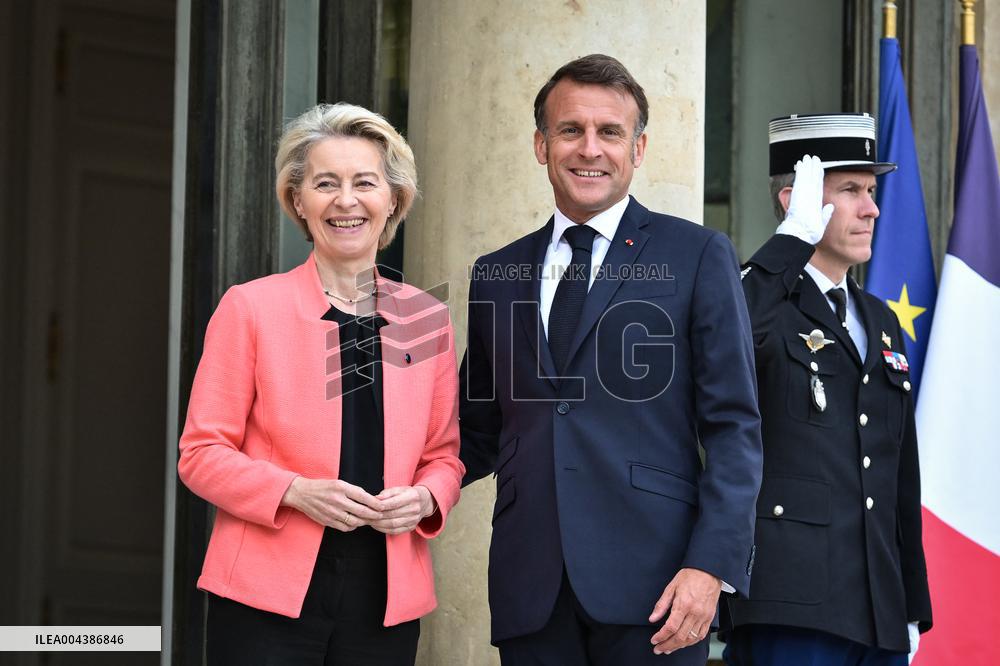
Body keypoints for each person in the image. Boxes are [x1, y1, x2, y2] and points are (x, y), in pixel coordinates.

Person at [459, 54, 763, 664]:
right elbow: (475, 431)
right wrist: (392, 484)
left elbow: (734, 427)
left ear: (639, 148)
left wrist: (711, 567)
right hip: (531, 589)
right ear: (542, 145)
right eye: (570, 130)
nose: (589, 149)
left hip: (659, 591)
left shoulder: (697, 254)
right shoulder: (496, 273)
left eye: (610, 133)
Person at [177, 102, 464, 665]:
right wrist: (295, 491)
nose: (346, 201)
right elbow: (201, 453)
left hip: (385, 598)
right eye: (325, 183)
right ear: (299, 201)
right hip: (265, 595)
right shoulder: (250, 307)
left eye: (365, 183)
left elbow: (445, 456)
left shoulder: (426, 317)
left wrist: (427, 496)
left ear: (393, 200)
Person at [724, 113, 933, 665]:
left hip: (877, 607)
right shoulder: (757, 294)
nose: (872, 208)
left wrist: (912, 603)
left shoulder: (879, 318)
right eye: (850, 191)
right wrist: (789, 243)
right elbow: (727, 343)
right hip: (791, 602)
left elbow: (898, 471)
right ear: (798, 200)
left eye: (871, 190)